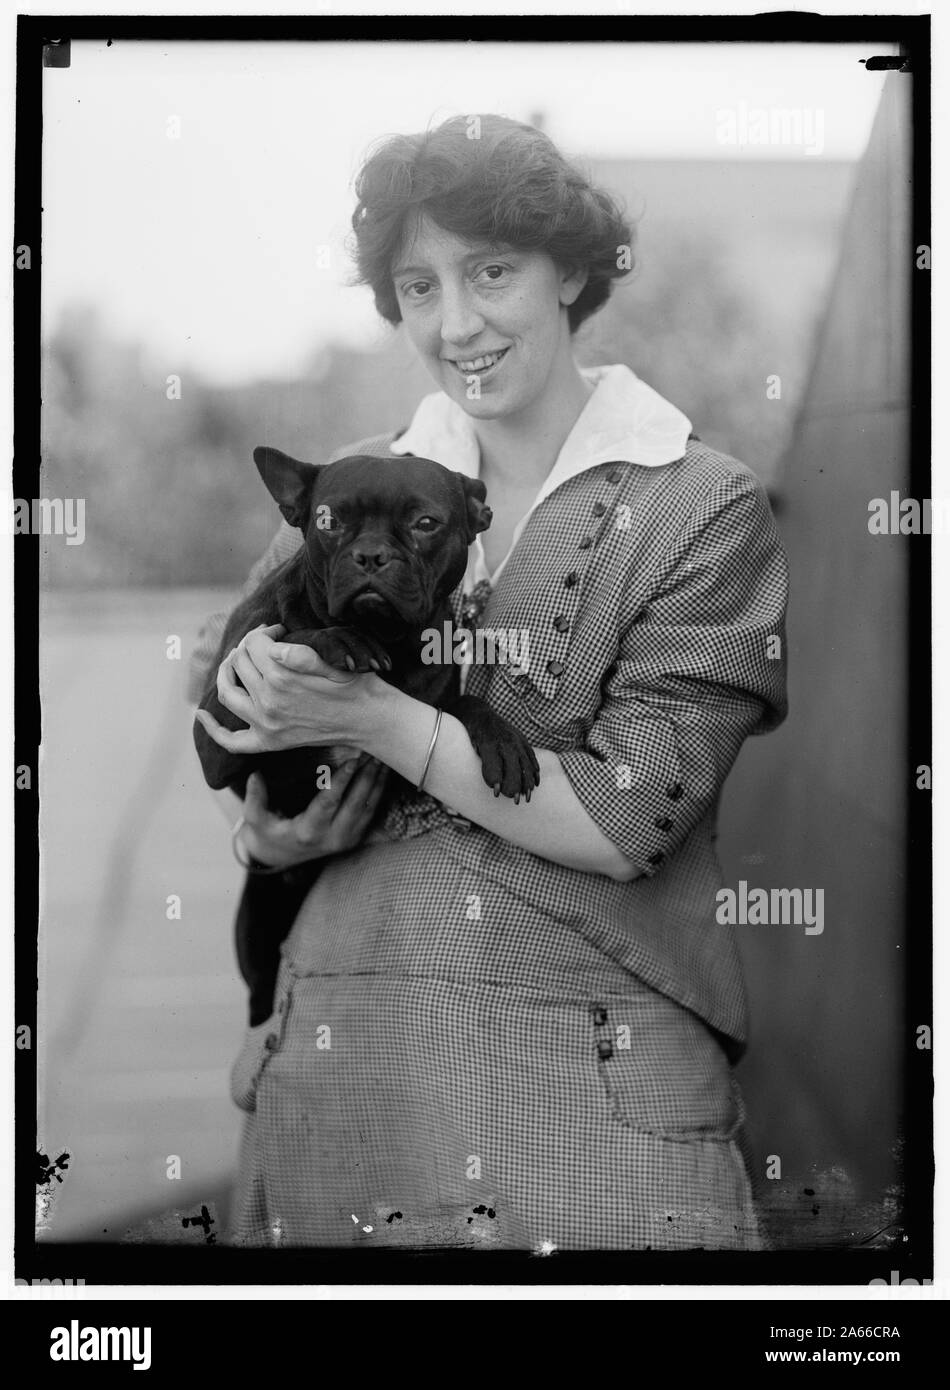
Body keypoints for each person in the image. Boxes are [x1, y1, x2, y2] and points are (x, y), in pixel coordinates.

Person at [189, 114, 789, 1251]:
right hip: (337, 1076)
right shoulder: (353, 490)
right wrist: (266, 841)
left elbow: (627, 819)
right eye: (417, 287)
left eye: (490, 271)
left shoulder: (695, 505)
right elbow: (230, 729)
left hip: (586, 1095)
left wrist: (379, 717)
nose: (453, 322)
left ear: (570, 269)